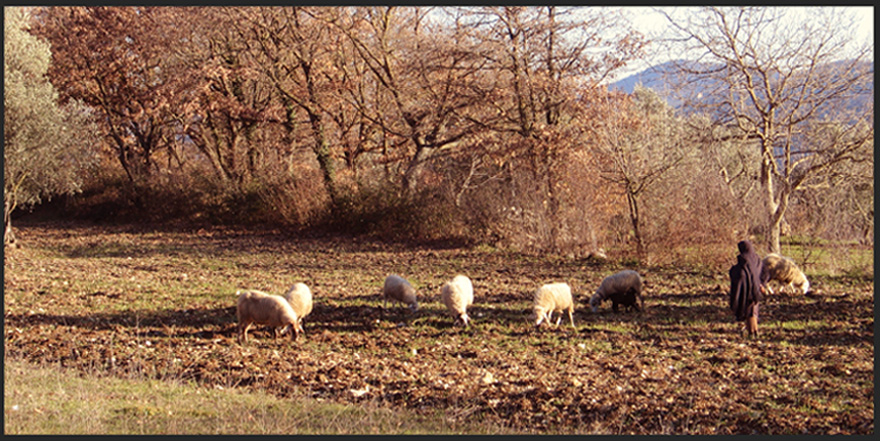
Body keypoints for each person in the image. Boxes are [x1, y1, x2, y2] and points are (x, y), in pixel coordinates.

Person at [728, 240, 768, 338]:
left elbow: (741, 272)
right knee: (754, 311)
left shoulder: (744, 259)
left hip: (748, 289)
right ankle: (754, 332)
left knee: (749, 311)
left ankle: (752, 332)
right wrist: (762, 284)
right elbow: (765, 272)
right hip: (757, 289)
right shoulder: (757, 259)